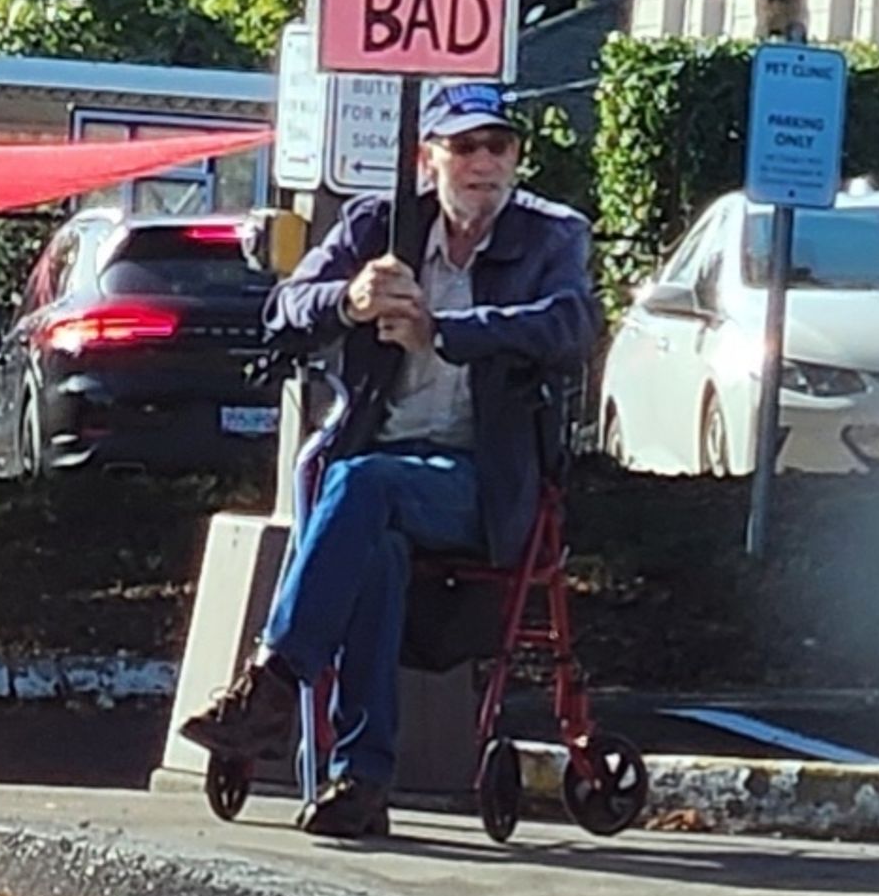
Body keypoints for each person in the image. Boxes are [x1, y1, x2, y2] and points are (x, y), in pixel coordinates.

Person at [179, 81, 598, 839]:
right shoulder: (380, 225)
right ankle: (362, 781)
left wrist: (446, 331)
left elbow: (570, 324)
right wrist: (350, 300)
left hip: (484, 480)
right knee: (372, 545)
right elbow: (283, 312)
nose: (483, 163)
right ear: (426, 157)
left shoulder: (551, 234)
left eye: (498, 146)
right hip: (379, 471)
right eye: (464, 146)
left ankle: (274, 683)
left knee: (360, 484)